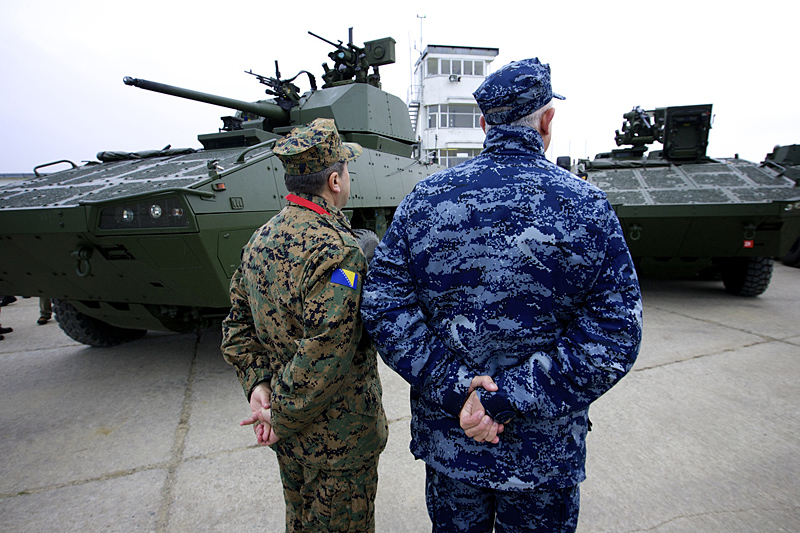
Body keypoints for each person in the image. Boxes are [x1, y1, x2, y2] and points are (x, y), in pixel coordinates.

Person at [361, 58, 643, 532]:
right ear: (547, 119)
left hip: (455, 443)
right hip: (544, 456)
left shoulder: (425, 200)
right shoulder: (587, 206)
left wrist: (458, 390)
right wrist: (509, 397)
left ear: (483, 122)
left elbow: (383, 305)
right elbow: (615, 332)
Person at [221, 118, 388, 533]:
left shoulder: (260, 240)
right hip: (340, 442)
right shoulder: (339, 252)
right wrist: (280, 415)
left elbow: (237, 325)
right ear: (334, 180)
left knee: (300, 521)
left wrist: (260, 388)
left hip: (291, 438)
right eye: (346, 170)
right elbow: (326, 350)